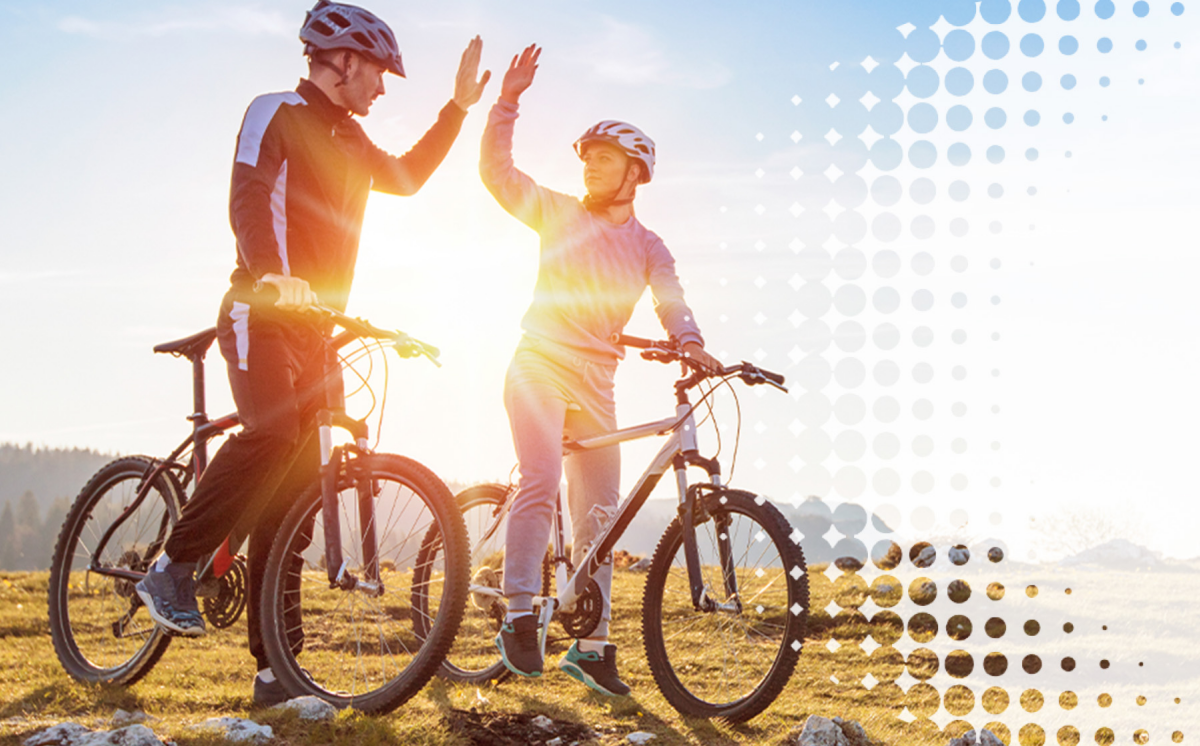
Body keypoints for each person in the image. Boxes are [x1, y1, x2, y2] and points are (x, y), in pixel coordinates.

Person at [135, 1, 489, 707]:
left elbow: (411, 178)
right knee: (270, 433)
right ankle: (172, 567)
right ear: (346, 61)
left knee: (294, 501)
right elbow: (249, 194)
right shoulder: (276, 112)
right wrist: (270, 270)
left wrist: (457, 107)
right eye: (380, 74)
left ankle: (276, 673)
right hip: (259, 311)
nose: (383, 90)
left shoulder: (353, 142)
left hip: (316, 328)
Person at [479, 44, 722, 696]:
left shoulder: (648, 246)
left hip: (598, 382)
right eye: (586, 160)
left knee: (602, 517)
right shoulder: (556, 212)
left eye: (605, 160)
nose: (590, 170)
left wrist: (691, 341)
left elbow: (671, 299)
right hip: (538, 363)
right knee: (541, 476)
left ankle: (591, 647)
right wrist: (508, 101)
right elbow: (497, 173)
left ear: (635, 174)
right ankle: (520, 613)